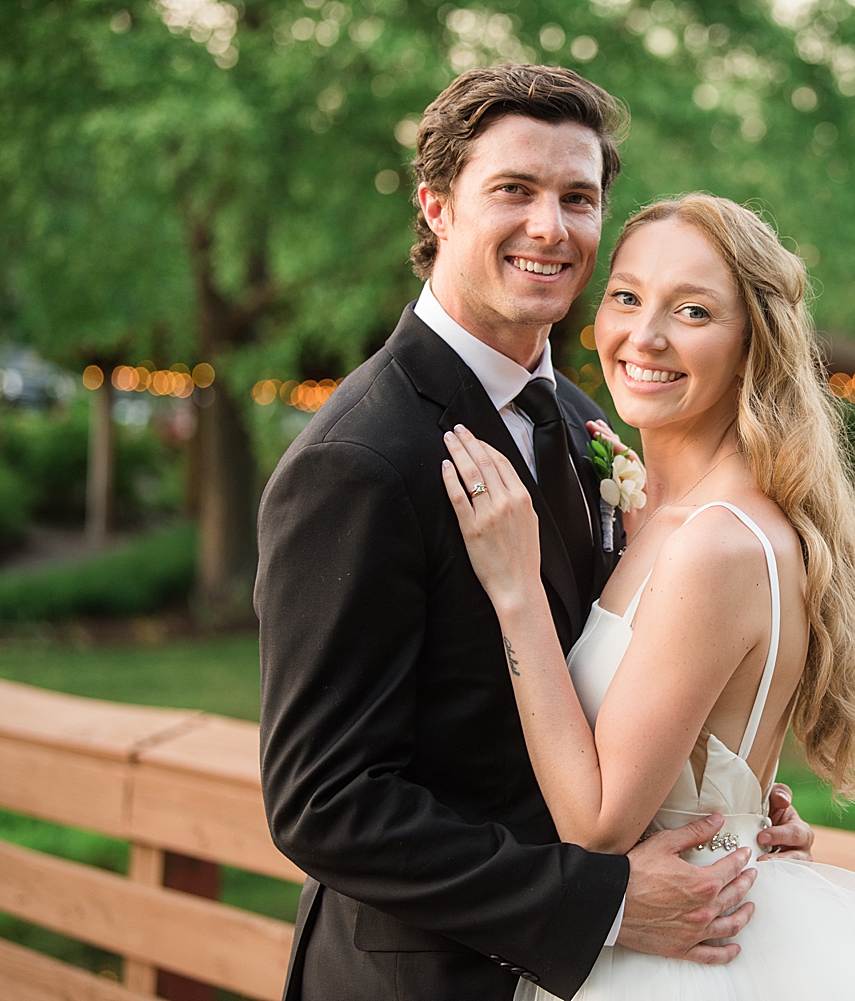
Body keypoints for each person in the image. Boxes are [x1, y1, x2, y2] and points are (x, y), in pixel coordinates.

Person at [256, 66, 814, 1001]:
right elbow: (325, 802)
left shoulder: (588, 423)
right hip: (423, 981)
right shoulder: (361, 459)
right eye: (514, 190)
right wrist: (599, 900)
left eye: (578, 197)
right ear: (436, 207)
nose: (550, 227)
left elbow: (610, 676)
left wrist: (722, 805)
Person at [439, 193, 855, 999]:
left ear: (750, 344)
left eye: (692, 311)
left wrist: (515, 585)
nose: (645, 335)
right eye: (626, 297)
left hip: (673, 959)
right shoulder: (661, 513)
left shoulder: (715, 543)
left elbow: (599, 823)